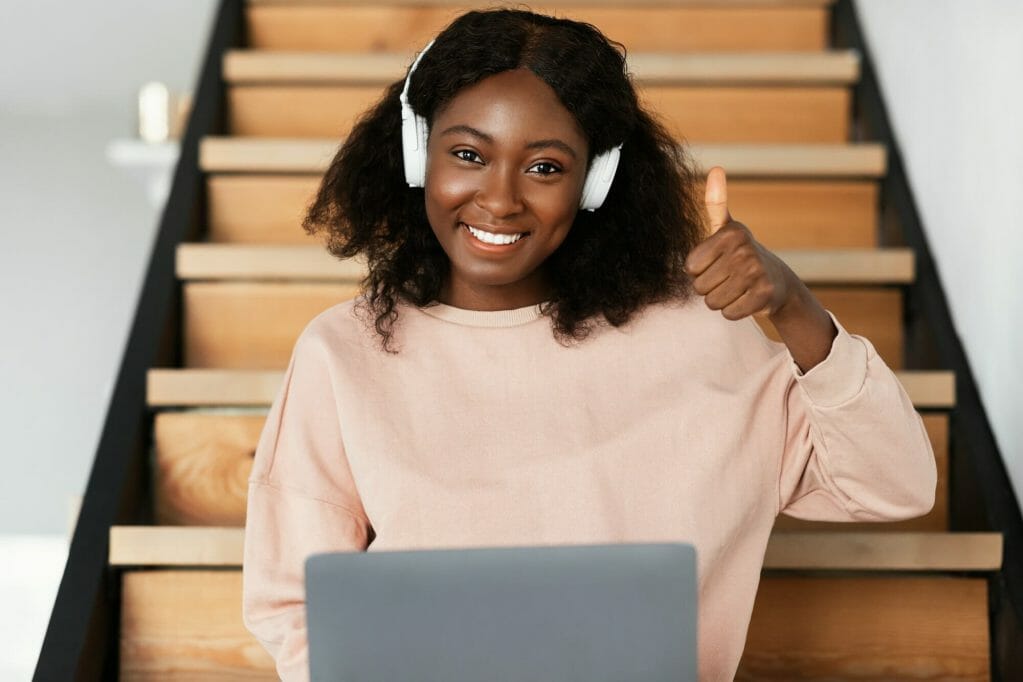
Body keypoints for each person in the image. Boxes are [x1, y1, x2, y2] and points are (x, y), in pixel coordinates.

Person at [241, 8, 936, 681]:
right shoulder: (342, 353)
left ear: (595, 181)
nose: (499, 198)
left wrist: (792, 304)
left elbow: (891, 483)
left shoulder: (701, 337)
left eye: (544, 167)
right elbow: (292, 603)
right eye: (466, 154)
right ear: (416, 153)